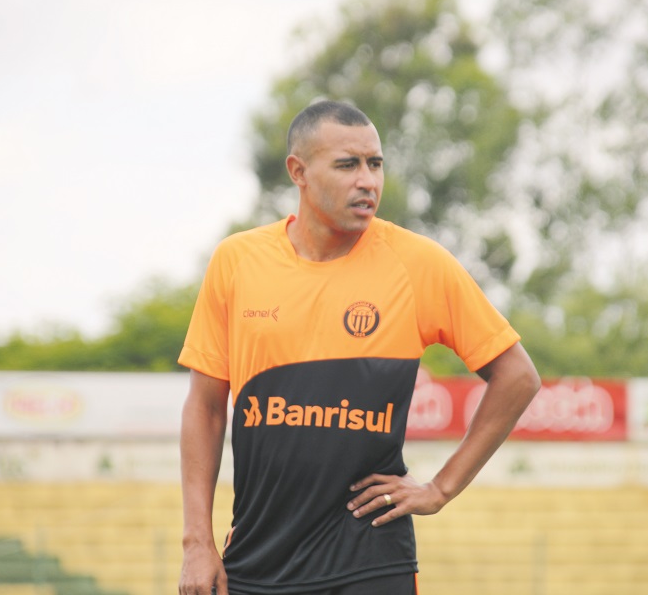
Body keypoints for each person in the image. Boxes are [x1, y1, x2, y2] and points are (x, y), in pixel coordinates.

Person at [177, 100, 541, 595]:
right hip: (259, 559)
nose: (367, 180)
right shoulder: (237, 261)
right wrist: (197, 543)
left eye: (375, 164)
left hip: (370, 557)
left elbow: (517, 376)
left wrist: (440, 488)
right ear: (299, 172)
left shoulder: (418, 263)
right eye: (348, 165)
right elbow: (204, 407)